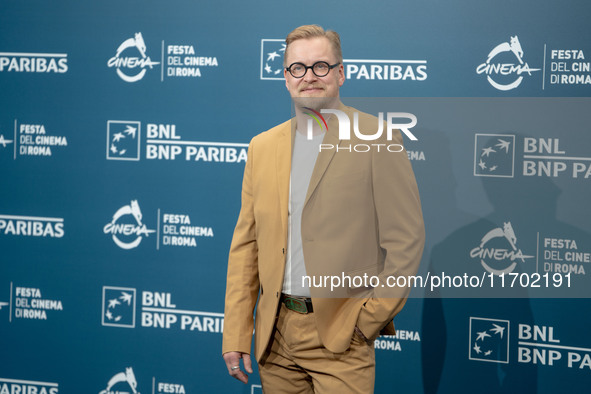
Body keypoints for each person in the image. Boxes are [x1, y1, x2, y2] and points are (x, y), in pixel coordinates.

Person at [222, 24, 425, 393]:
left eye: (321, 66)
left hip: (341, 338)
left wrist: (367, 319)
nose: (309, 77)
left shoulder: (378, 139)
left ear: (341, 73)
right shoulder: (262, 147)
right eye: (297, 68)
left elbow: (406, 241)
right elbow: (246, 248)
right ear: (286, 78)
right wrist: (237, 331)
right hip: (276, 339)